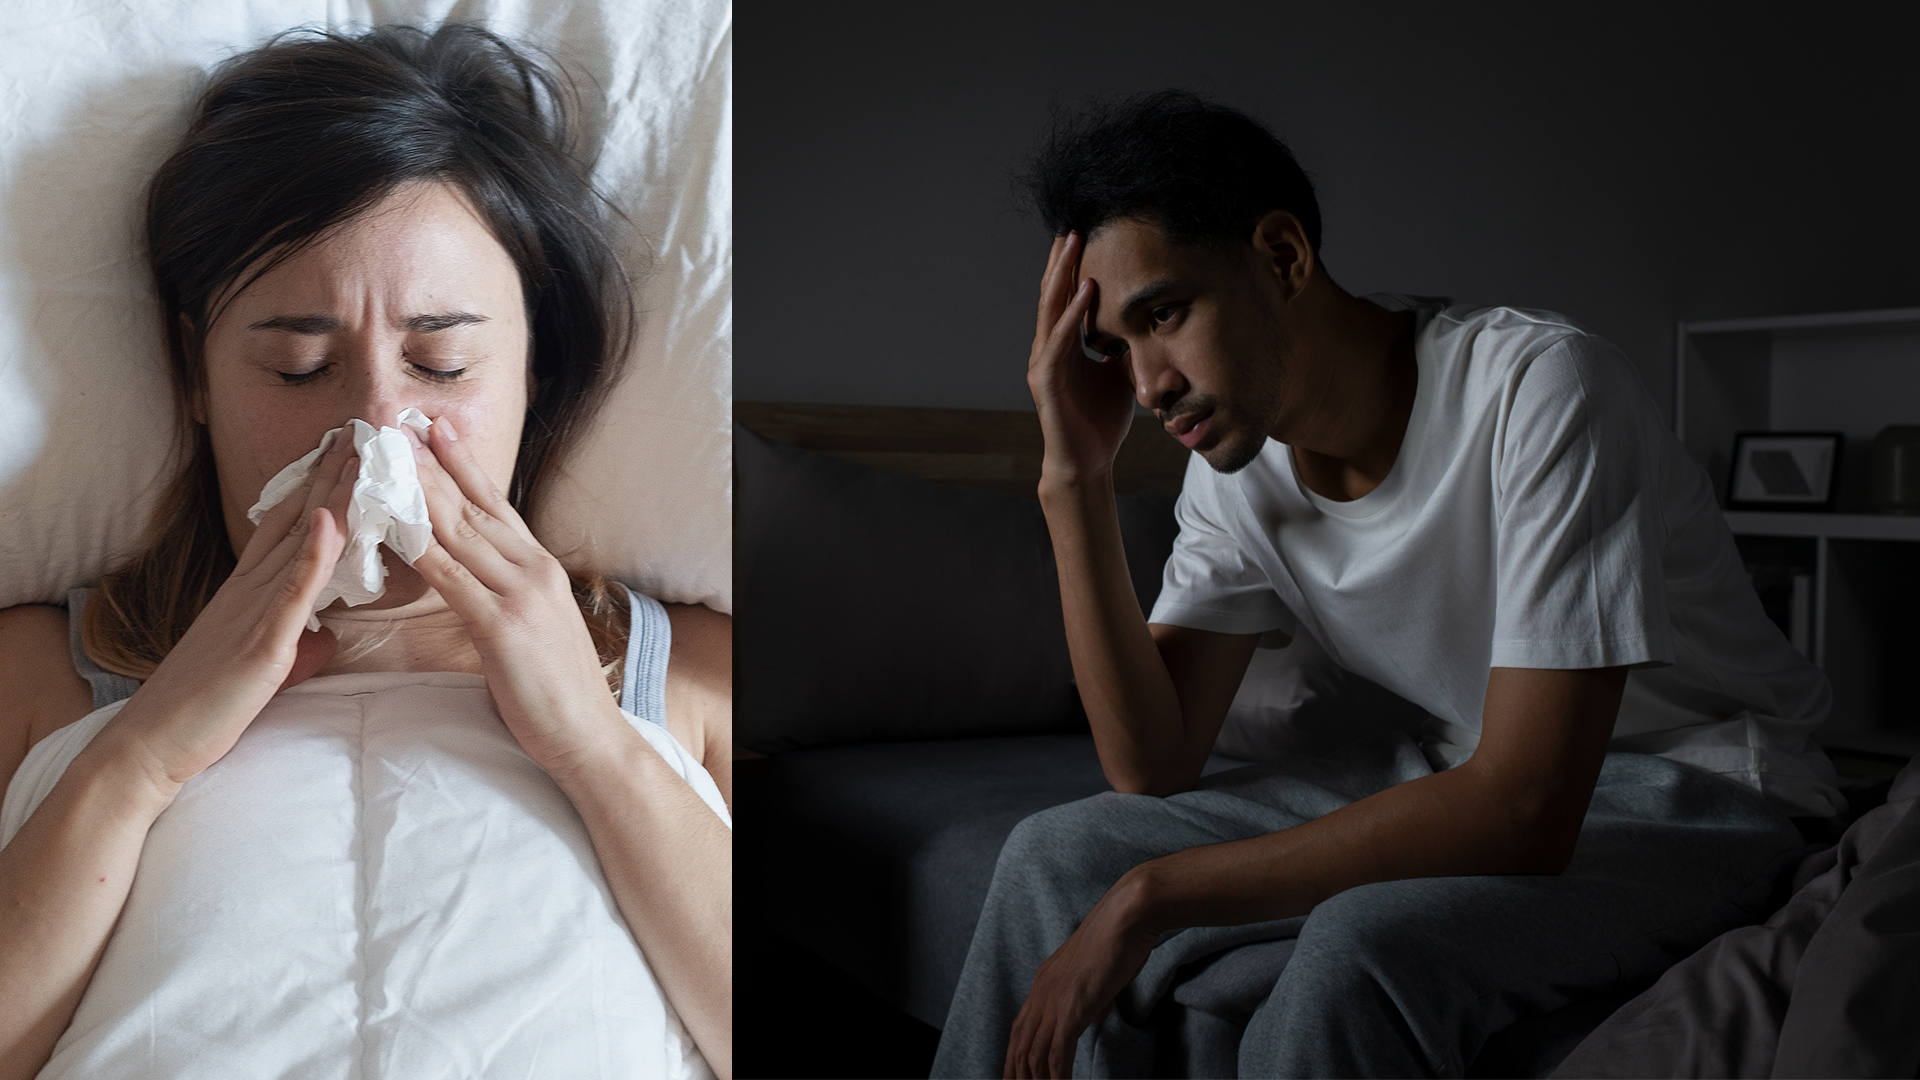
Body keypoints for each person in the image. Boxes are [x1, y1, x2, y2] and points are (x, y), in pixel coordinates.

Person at [932, 90, 1842, 1079]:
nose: (1147, 385)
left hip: (1711, 786)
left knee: (1355, 949)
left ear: (1281, 257)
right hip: (1463, 765)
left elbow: (1528, 805)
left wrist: (1154, 894)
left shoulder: (1541, 391)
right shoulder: (1234, 475)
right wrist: (1075, 479)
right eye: (1116, 347)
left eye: (1166, 313)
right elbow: (1151, 761)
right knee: (1048, 858)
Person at [0, 25, 730, 1080]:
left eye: (441, 362)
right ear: (196, 378)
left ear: (538, 375)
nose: (377, 427)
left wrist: (590, 741)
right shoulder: (40, 681)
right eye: (300, 367)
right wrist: (144, 753)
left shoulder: (690, 681)